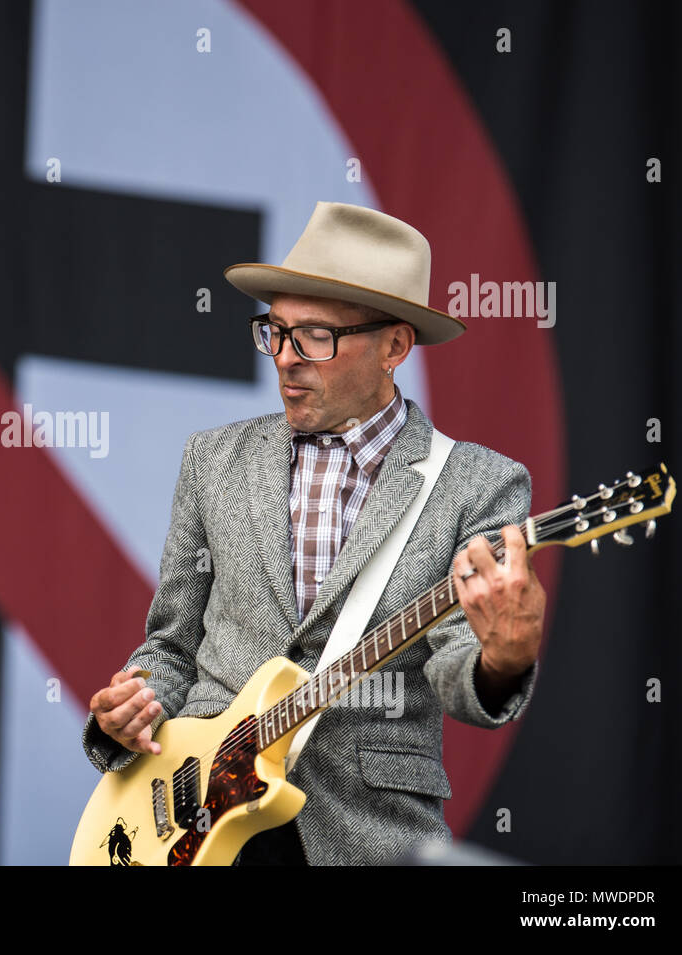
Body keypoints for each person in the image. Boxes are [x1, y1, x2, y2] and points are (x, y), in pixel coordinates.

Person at [81, 201, 546, 866]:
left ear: (395, 346)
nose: (286, 359)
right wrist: (123, 714)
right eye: (275, 330)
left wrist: (505, 657)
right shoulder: (213, 460)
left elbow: (459, 671)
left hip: (366, 833)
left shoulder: (478, 484)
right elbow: (171, 645)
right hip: (198, 822)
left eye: (316, 337)